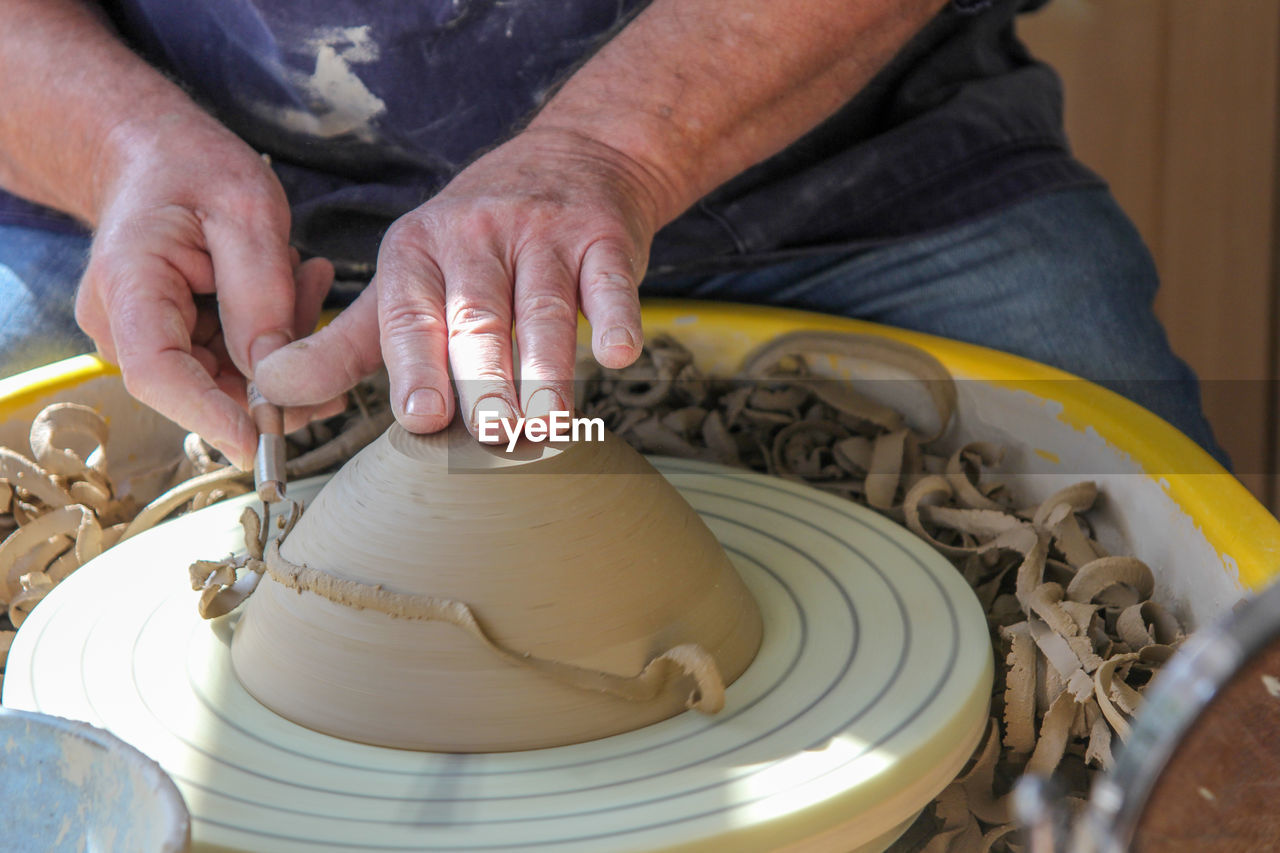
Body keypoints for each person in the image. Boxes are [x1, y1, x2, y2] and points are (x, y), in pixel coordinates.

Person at [0, 0, 1225, 471]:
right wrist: (120, 154)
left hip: (835, 176)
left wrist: (613, 152)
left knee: (1190, 679)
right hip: (192, 221)